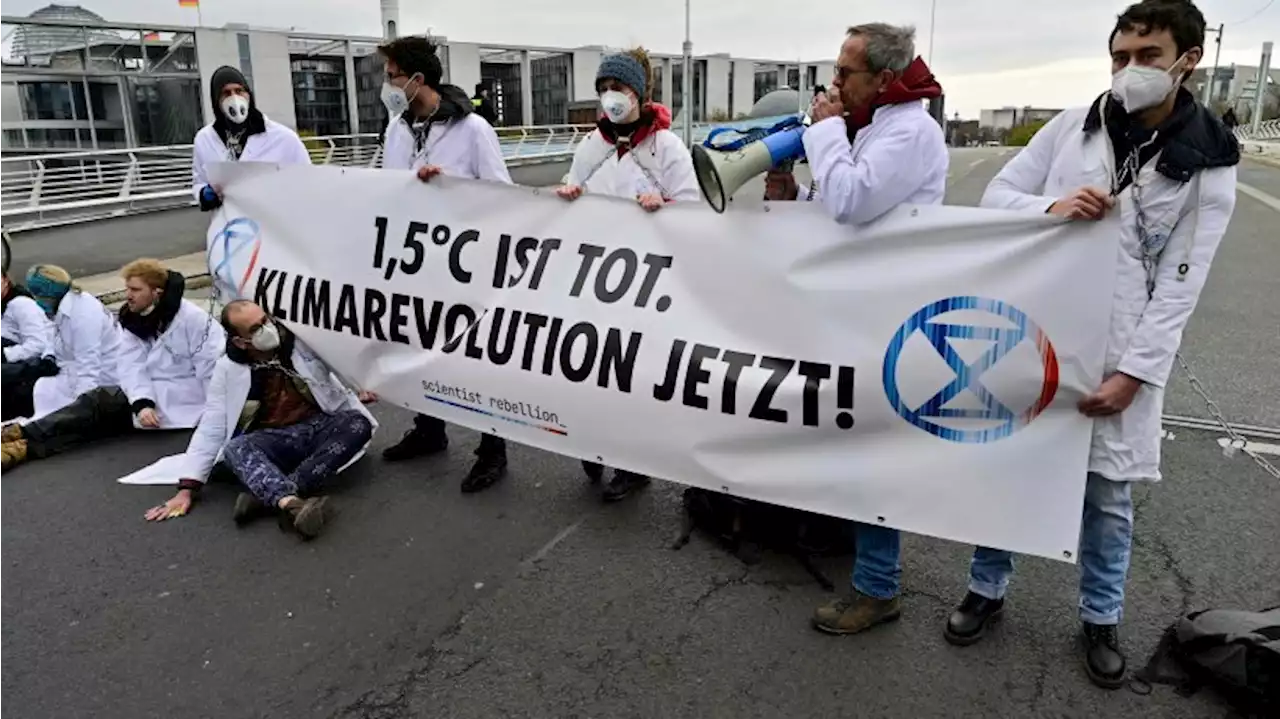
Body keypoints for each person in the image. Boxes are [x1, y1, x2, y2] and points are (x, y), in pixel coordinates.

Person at [943, 0, 1238, 690]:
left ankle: (1100, 616)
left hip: (1119, 350)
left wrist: (1134, 375)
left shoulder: (1210, 166)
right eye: (1119, 57)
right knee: (1013, 469)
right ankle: (986, 586)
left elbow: (1181, 286)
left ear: (1188, 61)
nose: (1129, 71)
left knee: (1107, 497)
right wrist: (1051, 206)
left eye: (1148, 57)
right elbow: (998, 193)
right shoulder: (1074, 126)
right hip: (1037, 336)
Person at [765, 24, 949, 635]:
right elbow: (830, 214)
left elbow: (850, 200)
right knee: (843, 438)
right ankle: (846, 542)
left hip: (884, 316)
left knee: (872, 451)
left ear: (885, 78)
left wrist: (821, 132)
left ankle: (878, 587)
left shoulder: (911, 132)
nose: (835, 83)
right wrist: (789, 192)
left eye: (846, 72)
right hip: (847, 309)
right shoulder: (871, 125)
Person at [554, 47, 700, 501]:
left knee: (627, 376)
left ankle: (632, 465)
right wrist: (568, 193)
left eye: (617, 88)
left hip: (646, 284)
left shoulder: (666, 146)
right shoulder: (593, 144)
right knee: (589, 370)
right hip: (594, 280)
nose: (609, 98)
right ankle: (596, 446)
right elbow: (572, 184)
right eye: (603, 90)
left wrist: (667, 208)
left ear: (639, 93)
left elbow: (695, 208)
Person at [376, 35, 515, 493]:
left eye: (392, 74)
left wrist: (451, 189)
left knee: (476, 359)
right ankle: (429, 429)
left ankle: (493, 448)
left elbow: (501, 195)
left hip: (468, 266)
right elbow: (386, 191)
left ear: (417, 79)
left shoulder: (472, 129)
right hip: (417, 265)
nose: (387, 83)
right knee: (421, 349)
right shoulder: (396, 129)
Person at [145, 300, 377, 538]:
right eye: (256, 329)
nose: (268, 329)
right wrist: (187, 489)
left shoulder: (301, 343)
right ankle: (292, 505)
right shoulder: (227, 369)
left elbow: (341, 359)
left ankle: (267, 495)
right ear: (240, 342)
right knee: (235, 448)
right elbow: (212, 426)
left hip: (318, 427)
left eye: (266, 320)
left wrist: (362, 384)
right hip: (274, 440)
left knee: (358, 423)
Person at [0, 259, 224, 473]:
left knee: (95, 404)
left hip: (186, 396)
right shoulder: (136, 318)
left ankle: (21, 436)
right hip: (146, 392)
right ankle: (22, 448)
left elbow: (210, 371)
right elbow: (131, 365)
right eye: (127, 288)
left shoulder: (194, 321)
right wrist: (142, 401)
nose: (128, 296)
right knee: (93, 425)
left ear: (157, 292)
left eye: (135, 290)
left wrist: (214, 419)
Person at [192, 66, 311, 214]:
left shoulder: (284, 138)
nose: (234, 98)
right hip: (230, 227)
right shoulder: (205, 139)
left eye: (239, 91)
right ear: (216, 101)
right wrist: (204, 195)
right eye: (225, 93)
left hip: (274, 226)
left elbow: (307, 182)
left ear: (249, 94)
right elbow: (199, 181)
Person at [22, 265, 121, 424]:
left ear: (49, 295)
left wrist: (81, 409)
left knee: (46, 409)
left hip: (103, 378)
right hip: (71, 369)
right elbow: (52, 335)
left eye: (37, 296)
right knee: (37, 387)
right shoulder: (63, 305)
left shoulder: (83, 315)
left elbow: (89, 367)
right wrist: (49, 356)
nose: (36, 301)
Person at [0, 266, 54, 421]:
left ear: (5, 280)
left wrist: (5, 354)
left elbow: (38, 345)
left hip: (27, 367)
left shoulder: (21, 305)